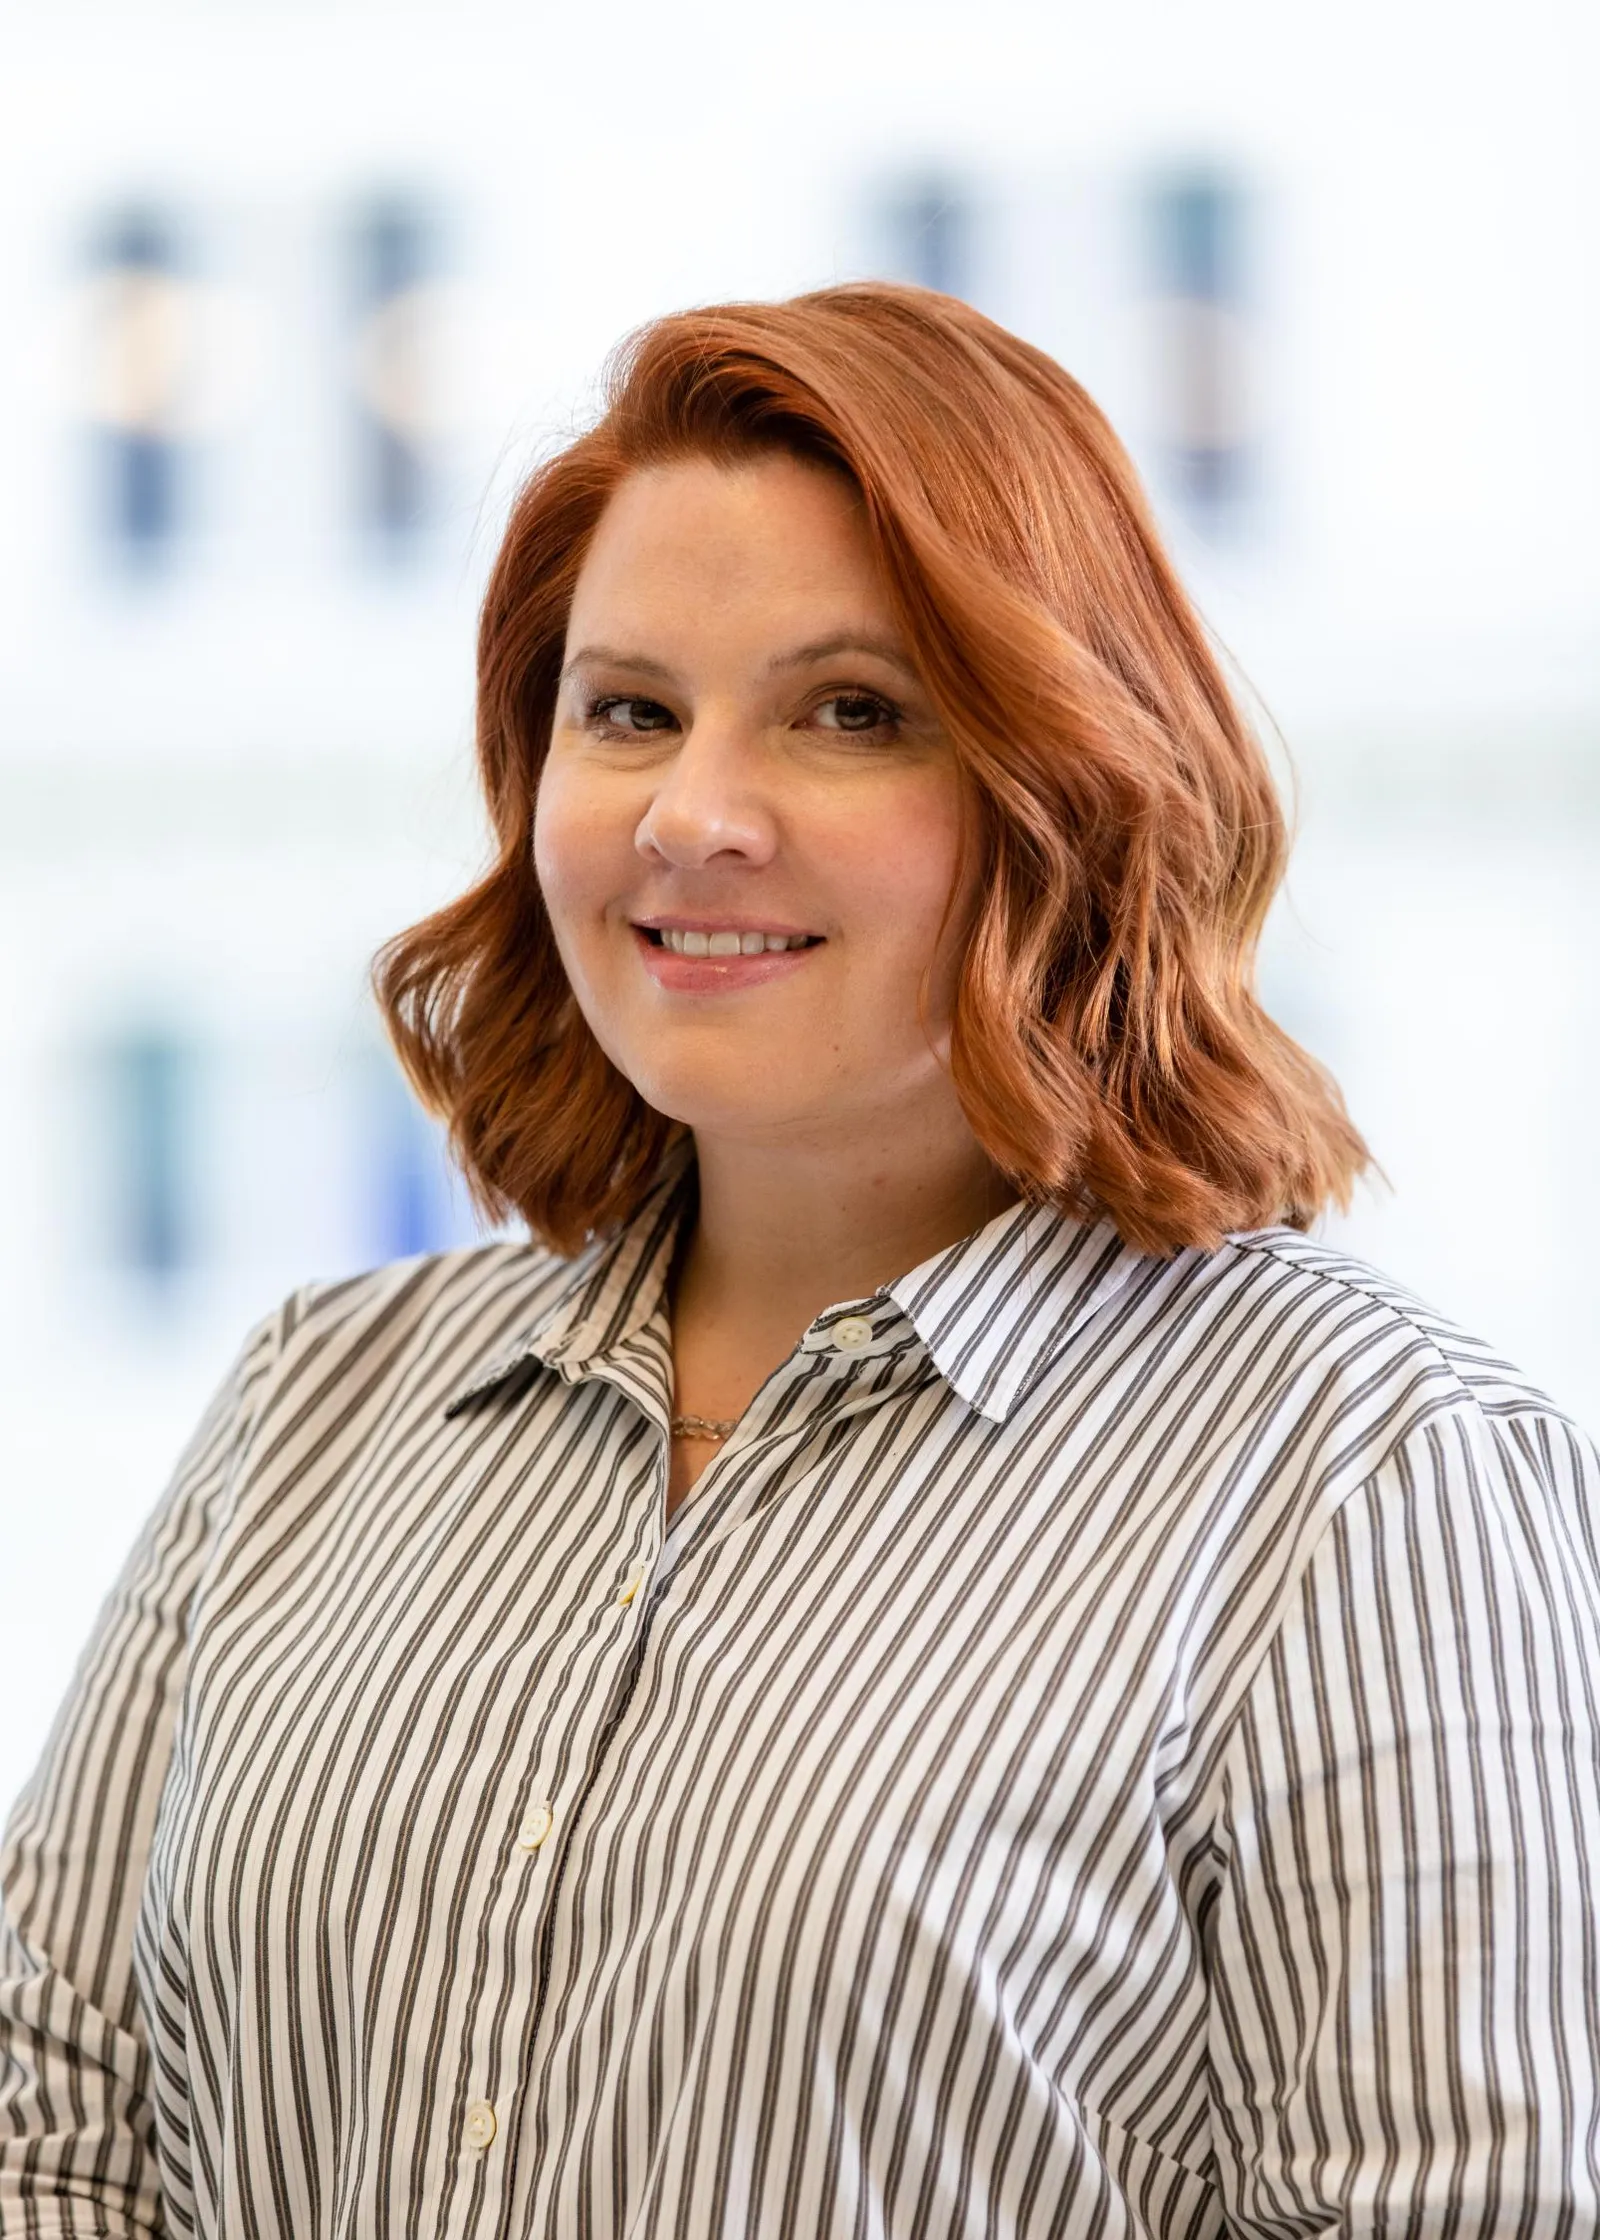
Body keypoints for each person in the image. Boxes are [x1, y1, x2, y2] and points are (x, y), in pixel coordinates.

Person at [3, 282, 1597, 2240]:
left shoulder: (1368, 1470)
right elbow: (51, 2133)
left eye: (849, 712)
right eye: (628, 712)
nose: (691, 816)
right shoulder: (312, 1397)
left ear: (1066, 793)